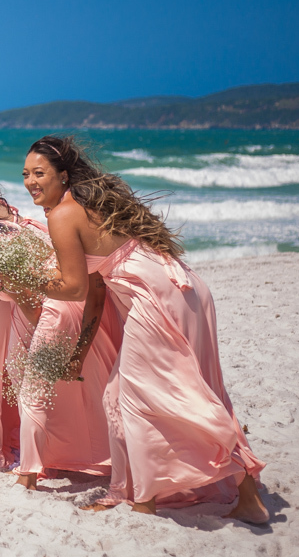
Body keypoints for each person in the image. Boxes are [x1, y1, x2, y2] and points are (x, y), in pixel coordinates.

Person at [25, 135, 268, 523]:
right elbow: (94, 293)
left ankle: (147, 500)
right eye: (25, 174)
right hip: (185, 288)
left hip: (155, 299)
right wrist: (78, 351)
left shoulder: (62, 215)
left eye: (40, 173)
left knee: (143, 400)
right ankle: (133, 491)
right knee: (127, 395)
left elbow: (74, 286)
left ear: (63, 176)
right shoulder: (91, 205)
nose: (31, 181)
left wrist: (27, 281)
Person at [0, 176, 119, 483]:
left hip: (50, 314)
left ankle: (30, 472)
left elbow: (30, 302)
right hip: (58, 306)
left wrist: (43, 343)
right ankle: (59, 459)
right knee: (59, 392)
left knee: (33, 393)